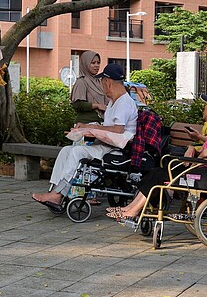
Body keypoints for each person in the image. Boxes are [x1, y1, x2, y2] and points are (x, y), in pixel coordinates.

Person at [106, 95, 207, 220]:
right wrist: (193, 149)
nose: (204, 108)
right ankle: (130, 208)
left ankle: (133, 210)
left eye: (206, 106)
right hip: (204, 170)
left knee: (159, 175)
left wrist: (193, 161)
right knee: (155, 172)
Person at [32, 63, 138, 209]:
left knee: (77, 151)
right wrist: (87, 128)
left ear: (107, 82)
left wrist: (92, 128)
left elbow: (118, 130)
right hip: (107, 146)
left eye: (102, 82)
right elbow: (109, 128)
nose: (101, 85)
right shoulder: (114, 102)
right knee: (66, 151)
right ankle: (55, 190)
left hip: (117, 151)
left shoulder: (124, 103)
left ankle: (58, 194)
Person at [70, 50, 108, 123]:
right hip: (86, 123)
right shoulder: (81, 82)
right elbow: (77, 104)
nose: (96, 65)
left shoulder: (99, 81)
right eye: (93, 63)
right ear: (85, 64)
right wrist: (97, 106)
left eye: (98, 63)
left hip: (101, 123)